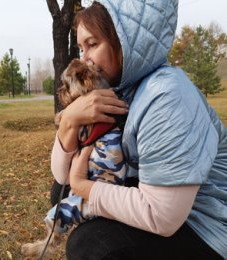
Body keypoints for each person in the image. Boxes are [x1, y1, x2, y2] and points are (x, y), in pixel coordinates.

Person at [50, 0, 227, 259]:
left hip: (207, 226)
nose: (83, 59)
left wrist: (84, 187)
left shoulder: (167, 95)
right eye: (80, 48)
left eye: (92, 45)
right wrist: (69, 122)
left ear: (122, 40)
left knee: (90, 246)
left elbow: (163, 217)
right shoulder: (120, 90)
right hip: (170, 206)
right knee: (60, 194)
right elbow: (62, 177)